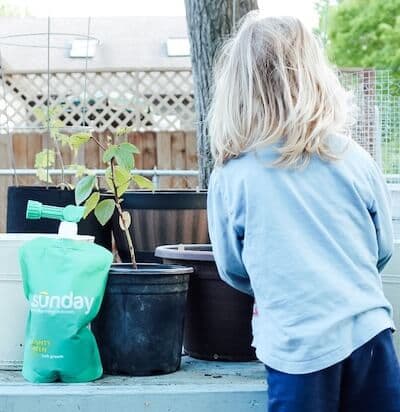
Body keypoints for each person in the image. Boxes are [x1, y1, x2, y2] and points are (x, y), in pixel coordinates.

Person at [207, 13, 400, 412]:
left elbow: (231, 268)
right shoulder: (353, 158)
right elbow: (382, 247)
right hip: (369, 336)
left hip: (298, 348)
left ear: (237, 89)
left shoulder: (233, 174)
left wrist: (280, 288)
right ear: (316, 77)